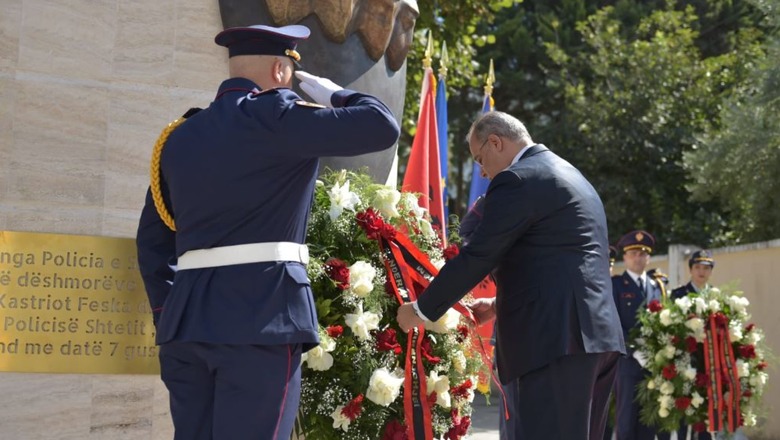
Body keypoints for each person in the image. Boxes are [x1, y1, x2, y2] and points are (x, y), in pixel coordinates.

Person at [135, 24, 400, 440]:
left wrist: (169, 313)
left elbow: (152, 240)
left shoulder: (178, 137)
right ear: (281, 69)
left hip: (185, 327)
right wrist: (333, 93)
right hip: (262, 318)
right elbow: (382, 125)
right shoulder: (280, 117)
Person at [397, 111, 625, 440]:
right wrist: (499, 304)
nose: (483, 172)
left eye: (480, 159)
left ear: (496, 142)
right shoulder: (570, 174)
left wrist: (421, 310)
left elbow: (479, 255)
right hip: (595, 338)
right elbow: (560, 264)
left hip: (556, 342)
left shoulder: (518, 178)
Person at [612, 230, 667, 440]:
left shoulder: (657, 286)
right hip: (627, 362)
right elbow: (613, 323)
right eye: (633, 253)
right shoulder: (616, 285)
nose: (638, 258)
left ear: (648, 258)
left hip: (653, 364)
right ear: (625, 257)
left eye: (643, 253)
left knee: (649, 420)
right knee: (626, 421)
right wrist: (634, 350)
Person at [670, 250, 716, 440]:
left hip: (708, 364)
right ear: (690, 269)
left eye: (706, 268)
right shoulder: (678, 294)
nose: (701, 272)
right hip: (684, 362)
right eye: (697, 267)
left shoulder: (716, 297)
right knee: (683, 415)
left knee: (704, 417)